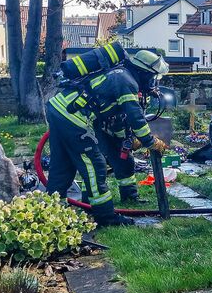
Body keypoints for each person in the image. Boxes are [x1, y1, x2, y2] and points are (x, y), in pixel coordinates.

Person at [45, 48, 169, 226]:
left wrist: (129, 137)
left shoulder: (121, 75)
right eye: (153, 77)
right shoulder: (126, 81)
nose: (153, 82)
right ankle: (106, 218)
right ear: (144, 72)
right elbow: (135, 117)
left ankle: (52, 214)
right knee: (95, 166)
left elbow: (117, 117)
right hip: (73, 117)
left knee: (62, 164)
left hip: (58, 109)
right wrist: (150, 141)